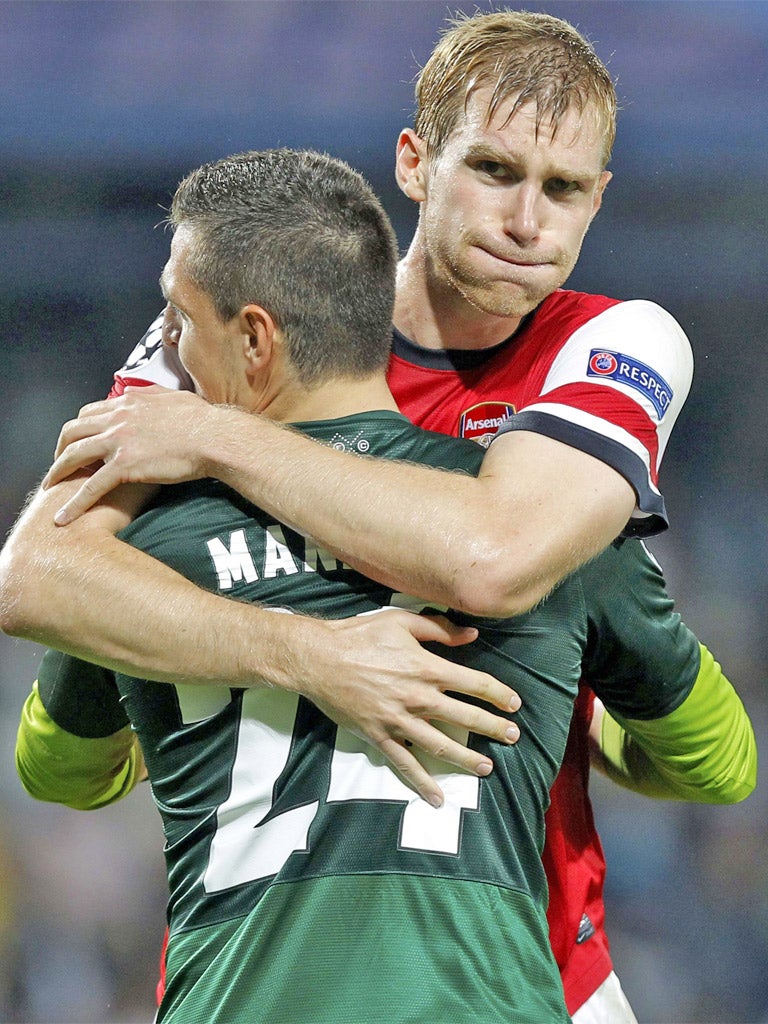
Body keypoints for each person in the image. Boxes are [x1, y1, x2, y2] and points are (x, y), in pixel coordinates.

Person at [0, 10, 748, 1022]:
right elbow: (35, 574)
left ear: (597, 198)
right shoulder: (227, 314)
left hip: (532, 970)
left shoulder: (620, 341)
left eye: (563, 188)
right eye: (492, 169)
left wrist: (220, 438)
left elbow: (494, 556)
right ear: (413, 162)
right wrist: (310, 654)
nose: (528, 220)